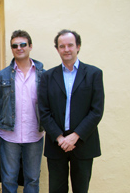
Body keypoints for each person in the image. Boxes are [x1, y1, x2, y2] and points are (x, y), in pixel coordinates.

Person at [38, 29, 105, 193]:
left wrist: (75, 137)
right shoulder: (48, 76)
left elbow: (96, 111)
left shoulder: (94, 74)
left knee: (81, 189)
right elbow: (43, 110)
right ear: (57, 49)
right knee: (56, 190)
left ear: (78, 47)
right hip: (56, 143)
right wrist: (60, 138)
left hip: (83, 142)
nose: (66, 49)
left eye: (70, 45)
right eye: (62, 46)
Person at [0, 30, 45, 193]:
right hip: (9, 136)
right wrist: (3, 124)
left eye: (23, 44)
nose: (19, 48)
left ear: (30, 46)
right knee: (8, 179)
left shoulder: (43, 74)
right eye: (15, 45)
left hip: (34, 134)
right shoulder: (2, 76)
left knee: (33, 179)